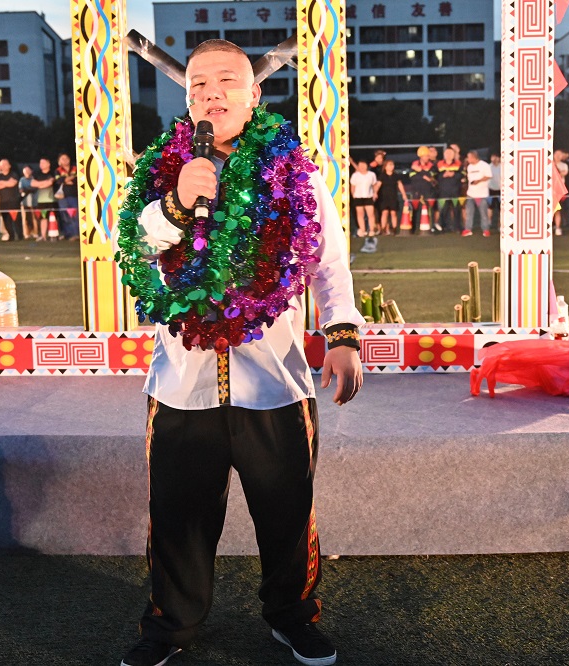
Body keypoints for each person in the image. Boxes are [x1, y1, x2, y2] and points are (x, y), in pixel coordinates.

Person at [114, 38, 363, 666]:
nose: (211, 93)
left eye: (226, 81)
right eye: (197, 85)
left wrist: (341, 336)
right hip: (182, 383)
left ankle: (292, 616)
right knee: (178, 518)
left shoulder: (294, 171)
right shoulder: (160, 170)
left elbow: (328, 262)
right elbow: (135, 250)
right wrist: (176, 203)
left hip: (274, 381)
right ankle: (170, 627)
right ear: (187, 99)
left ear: (254, 95)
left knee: (287, 513)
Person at [407, 146, 438, 231]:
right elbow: (412, 176)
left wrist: (420, 171)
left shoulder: (431, 165)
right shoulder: (414, 164)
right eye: (426, 155)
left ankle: (430, 227)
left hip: (428, 190)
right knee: (414, 209)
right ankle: (412, 228)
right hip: (416, 190)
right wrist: (424, 176)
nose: (428, 157)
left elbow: (431, 177)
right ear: (421, 156)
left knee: (429, 209)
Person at [462, 150, 492, 237]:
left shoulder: (484, 165)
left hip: (482, 194)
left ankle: (485, 230)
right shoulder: (469, 167)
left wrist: (478, 181)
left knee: (483, 213)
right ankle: (468, 229)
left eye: (469, 157)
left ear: (474, 157)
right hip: (470, 194)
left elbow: (488, 176)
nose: (467, 159)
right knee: (469, 212)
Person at [0, 158, 22, 241]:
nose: (4, 166)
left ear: (9, 165)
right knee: (6, 220)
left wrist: (2, 182)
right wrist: (7, 183)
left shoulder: (13, 174)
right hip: (3, 201)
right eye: (2, 165)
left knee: (17, 220)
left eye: (6, 164)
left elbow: (13, 183)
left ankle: (20, 236)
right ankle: (11, 236)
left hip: (14, 201)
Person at [436, 147, 464, 233]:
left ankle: (457, 227)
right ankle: (443, 227)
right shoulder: (439, 164)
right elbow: (435, 175)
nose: (448, 155)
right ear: (444, 154)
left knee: (456, 210)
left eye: (450, 153)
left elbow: (463, 174)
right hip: (443, 191)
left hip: (455, 191)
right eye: (447, 153)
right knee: (443, 210)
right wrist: (442, 175)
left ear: (453, 155)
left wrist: (454, 174)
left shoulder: (458, 163)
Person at [374, 160, 406, 235]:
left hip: (393, 197)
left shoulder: (396, 175)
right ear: (385, 167)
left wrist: (403, 194)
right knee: (384, 212)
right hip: (384, 197)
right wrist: (375, 192)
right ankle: (383, 229)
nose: (391, 167)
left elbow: (400, 185)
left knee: (393, 213)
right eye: (389, 165)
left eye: (392, 165)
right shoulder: (382, 175)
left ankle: (394, 229)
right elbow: (378, 185)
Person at [349, 160, 378, 237]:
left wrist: (375, 193)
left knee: (371, 214)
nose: (362, 167)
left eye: (363, 165)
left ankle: (371, 230)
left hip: (369, 196)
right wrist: (353, 195)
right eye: (360, 165)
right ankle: (363, 230)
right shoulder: (355, 175)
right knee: (360, 214)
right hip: (358, 197)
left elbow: (374, 185)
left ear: (366, 166)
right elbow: (352, 186)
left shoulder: (371, 174)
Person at [32, 157, 58, 240]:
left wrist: (40, 184)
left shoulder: (53, 173)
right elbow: (33, 184)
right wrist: (45, 183)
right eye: (40, 163)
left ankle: (54, 235)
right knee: (43, 218)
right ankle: (43, 236)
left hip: (52, 199)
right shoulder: (37, 174)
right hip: (41, 200)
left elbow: (50, 183)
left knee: (53, 217)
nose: (41, 165)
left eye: (43, 163)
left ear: (48, 163)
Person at [56, 153, 80, 241]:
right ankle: (68, 234)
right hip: (62, 197)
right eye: (62, 159)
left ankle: (76, 234)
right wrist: (70, 178)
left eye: (66, 158)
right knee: (65, 216)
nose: (65, 160)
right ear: (59, 161)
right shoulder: (58, 170)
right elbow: (59, 180)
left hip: (74, 196)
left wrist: (66, 180)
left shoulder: (76, 168)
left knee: (76, 216)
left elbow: (77, 180)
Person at [19, 165, 40, 240]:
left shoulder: (34, 179)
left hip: (34, 201)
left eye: (28, 170)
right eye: (25, 170)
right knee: (25, 218)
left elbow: (35, 188)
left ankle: (35, 232)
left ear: (31, 171)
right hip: (24, 202)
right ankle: (26, 233)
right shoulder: (22, 180)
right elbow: (21, 190)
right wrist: (28, 189)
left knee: (34, 217)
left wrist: (27, 189)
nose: (27, 172)